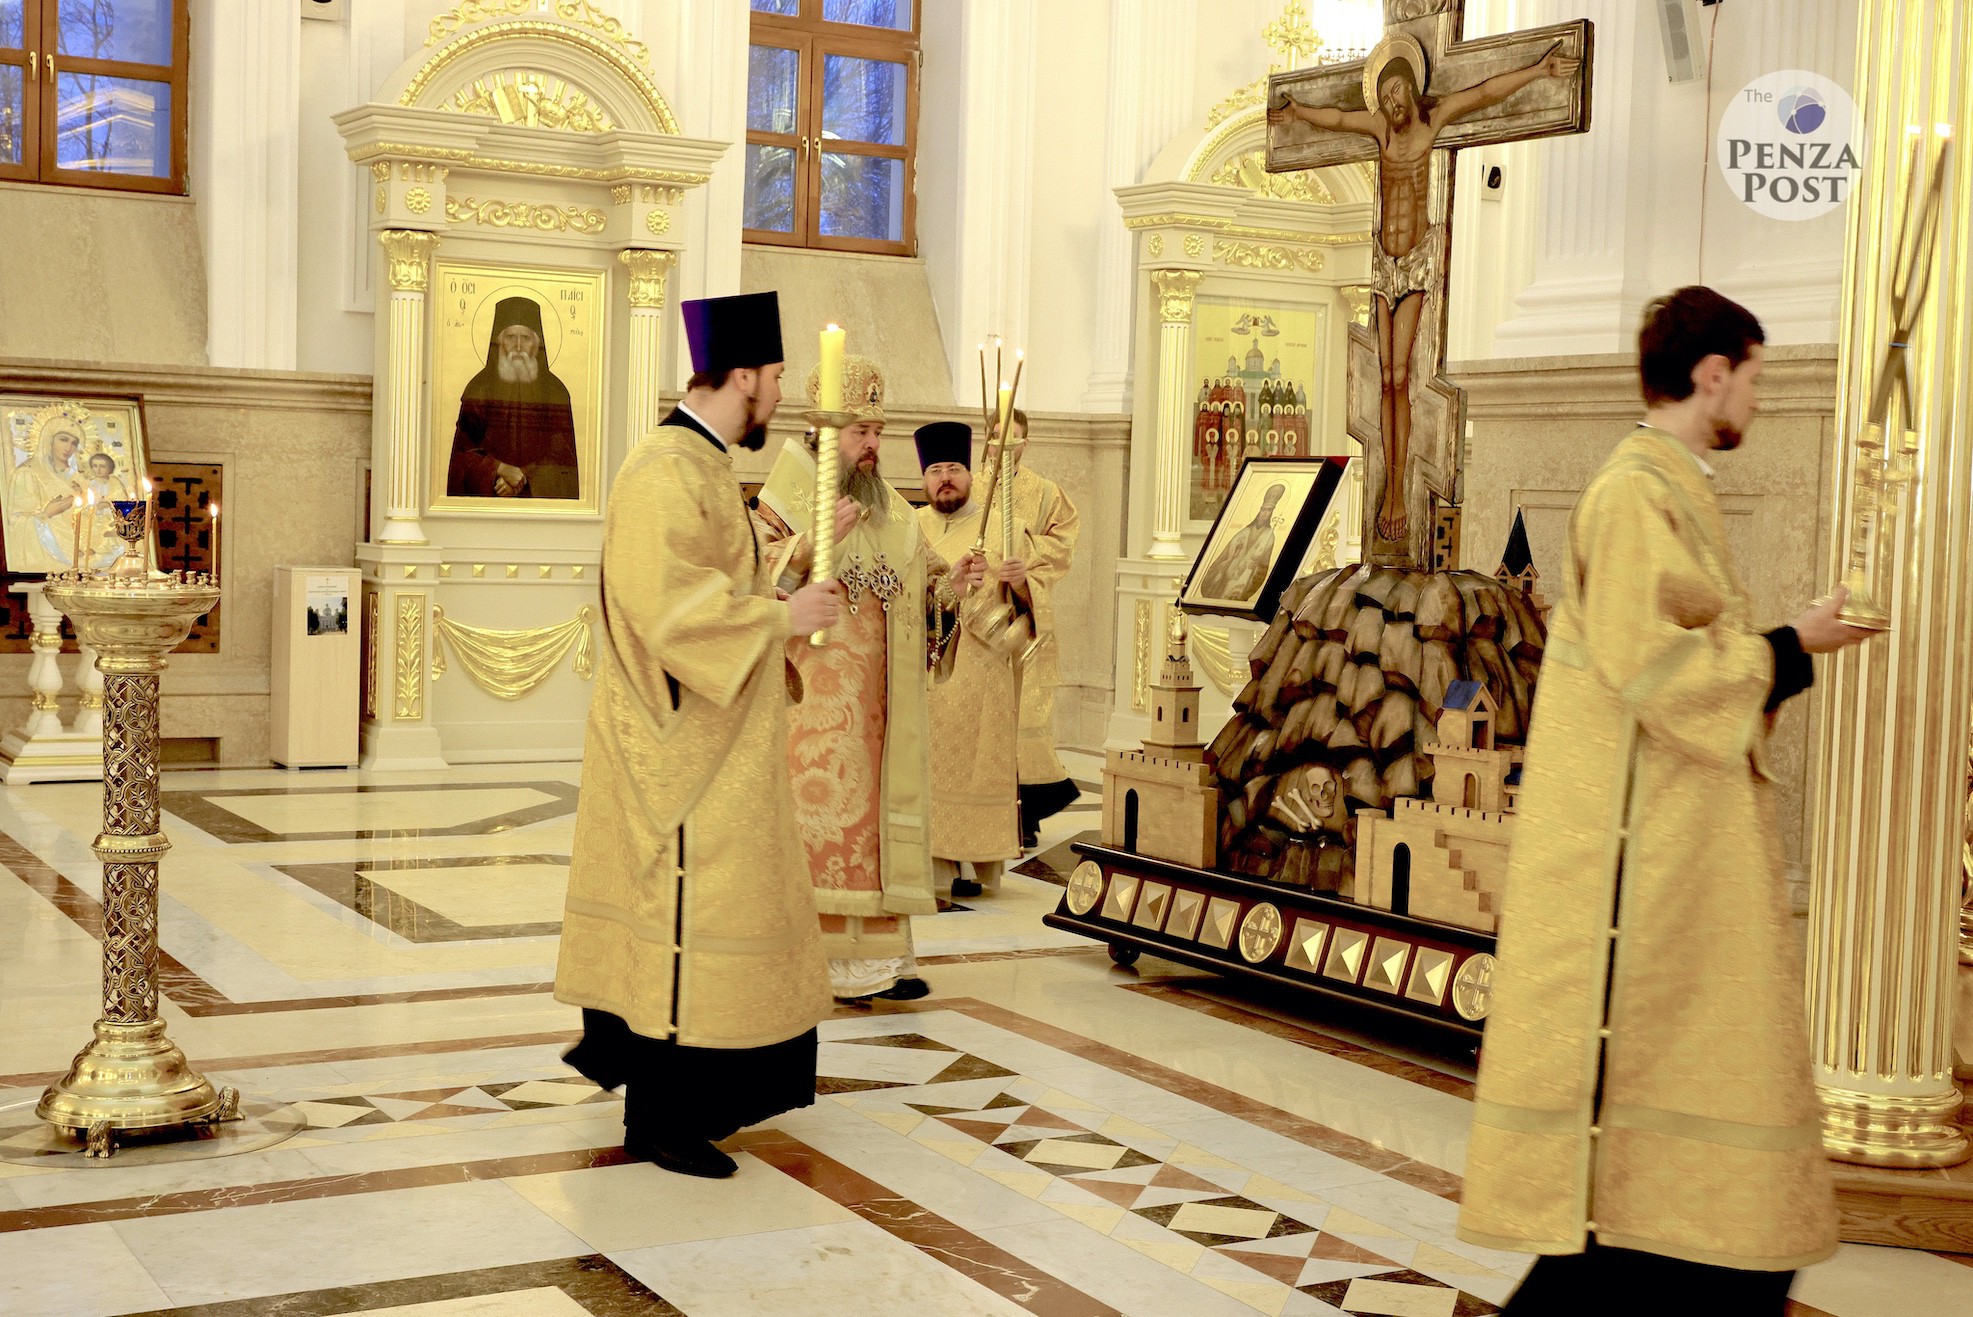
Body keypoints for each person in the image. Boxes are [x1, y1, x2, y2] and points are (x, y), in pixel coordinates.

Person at [1457, 287, 1876, 1311]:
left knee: (1676, 1200)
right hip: (1637, 864)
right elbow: (1659, 668)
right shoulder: (1632, 490)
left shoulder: (1663, 483)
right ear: (1709, 373)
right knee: (1648, 1190)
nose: (1758, 401)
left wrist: (1780, 646)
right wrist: (1791, 646)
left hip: (1676, 842)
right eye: (1754, 376)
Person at [555, 290, 842, 1180]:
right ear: (743, 376)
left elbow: (714, 581)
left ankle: (703, 1104)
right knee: (692, 906)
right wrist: (783, 617)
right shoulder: (663, 469)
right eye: (778, 378)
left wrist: (776, 590)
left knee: (733, 907)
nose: (783, 395)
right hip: (678, 745)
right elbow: (666, 606)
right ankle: (662, 1118)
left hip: (723, 737)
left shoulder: (707, 462)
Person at [1271, 42, 1578, 546]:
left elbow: (1484, 92)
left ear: (1413, 90)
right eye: (1386, 94)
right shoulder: (1378, 129)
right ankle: (1391, 483)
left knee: (1402, 375)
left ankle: (1396, 489)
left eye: (1398, 91)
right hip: (1383, 264)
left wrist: (1540, 68)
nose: (1392, 102)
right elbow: (1339, 120)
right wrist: (1297, 110)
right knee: (1386, 379)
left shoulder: (1434, 120)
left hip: (1415, 263)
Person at [758, 355, 985, 1000]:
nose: (872, 447)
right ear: (826, 430)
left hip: (884, 710)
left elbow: (921, 593)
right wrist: (805, 547)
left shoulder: (889, 507)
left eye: (878, 432)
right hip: (811, 704)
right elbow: (750, 584)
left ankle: (883, 963)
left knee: (880, 829)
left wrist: (953, 590)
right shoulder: (788, 490)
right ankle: (813, 962)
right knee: (821, 826)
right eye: (861, 432)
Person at [916, 421, 1021, 900]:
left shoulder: (1001, 523)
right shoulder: (912, 525)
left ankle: (976, 866)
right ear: (923, 479)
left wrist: (1013, 579)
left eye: (954, 468)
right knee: (931, 765)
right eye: (935, 470)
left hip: (983, 668)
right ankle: (936, 865)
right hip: (931, 662)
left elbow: (1028, 599)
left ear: (970, 474)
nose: (945, 478)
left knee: (976, 766)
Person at [994, 410, 1083, 851]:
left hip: (1023, 613)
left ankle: (1025, 812)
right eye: (996, 438)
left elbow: (1062, 545)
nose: (1003, 447)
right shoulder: (971, 486)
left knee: (1025, 715)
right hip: (977, 613)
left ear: (1025, 443)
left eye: (1013, 440)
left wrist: (1023, 556)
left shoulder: (1046, 494)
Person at [447, 295, 581, 499]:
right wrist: (498, 469)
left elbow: (563, 460)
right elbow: (462, 457)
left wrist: (525, 476)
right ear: (498, 342)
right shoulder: (478, 389)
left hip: (541, 514)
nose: (518, 346)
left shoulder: (555, 392)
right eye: (510, 337)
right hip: (487, 510)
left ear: (537, 344)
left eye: (525, 338)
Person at [8, 420, 86, 569]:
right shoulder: (27, 474)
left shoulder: (79, 479)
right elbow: (14, 525)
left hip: (81, 551)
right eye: (63, 439)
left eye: (74, 443)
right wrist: (46, 514)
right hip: (47, 557)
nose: (68, 448)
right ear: (49, 439)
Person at [1196, 482, 1287, 604]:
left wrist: (1252, 572)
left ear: (1272, 513)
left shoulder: (1269, 537)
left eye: (1268, 511)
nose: (1264, 514)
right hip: (1227, 576)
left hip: (1245, 580)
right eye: (1263, 510)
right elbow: (1223, 556)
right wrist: (1227, 563)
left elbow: (1264, 567)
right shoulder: (1243, 532)